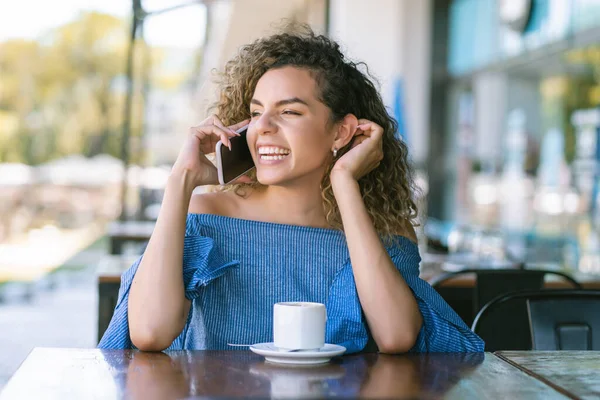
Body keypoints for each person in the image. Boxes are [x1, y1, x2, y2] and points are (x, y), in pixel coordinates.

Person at [99, 25, 484, 353]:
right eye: (255, 112)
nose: (262, 126)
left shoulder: (384, 229)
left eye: (289, 111)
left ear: (341, 131)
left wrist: (344, 182)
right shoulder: (209, 213)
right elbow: (149, 332)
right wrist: (180, 181)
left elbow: (397, 336)